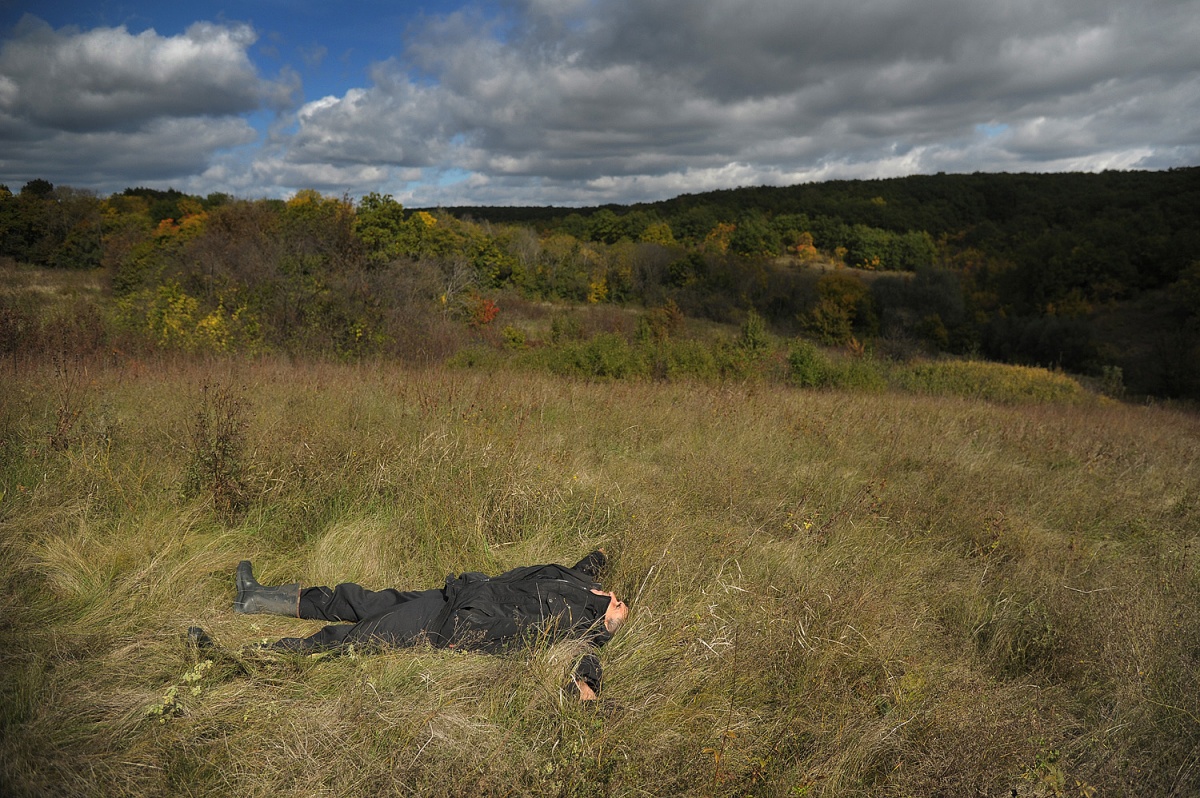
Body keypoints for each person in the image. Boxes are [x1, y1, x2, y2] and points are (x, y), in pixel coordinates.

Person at [206, 550, 627, 700]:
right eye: (621, 601)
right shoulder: (581, 583)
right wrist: (605, 554)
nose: (622, 604)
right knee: (358, 600)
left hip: (453, 626)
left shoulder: (582, 630)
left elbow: (584, 663)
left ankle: (236, 661)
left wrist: (604, 635)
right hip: (452, 595)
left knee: (352, 639)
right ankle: (256, 597)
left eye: (623, 610)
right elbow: (589, 560)